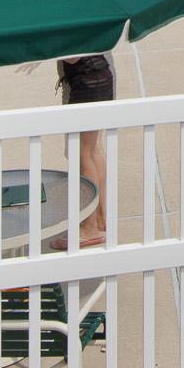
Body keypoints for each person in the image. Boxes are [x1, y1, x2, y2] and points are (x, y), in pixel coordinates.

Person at [49, 56, 114, 249]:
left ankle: (89, 228)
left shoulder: (67, 23)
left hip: (86, 84)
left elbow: (72, 57)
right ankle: (101, 219)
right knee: (93, 152)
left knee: (82, 155)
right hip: (99, 79)